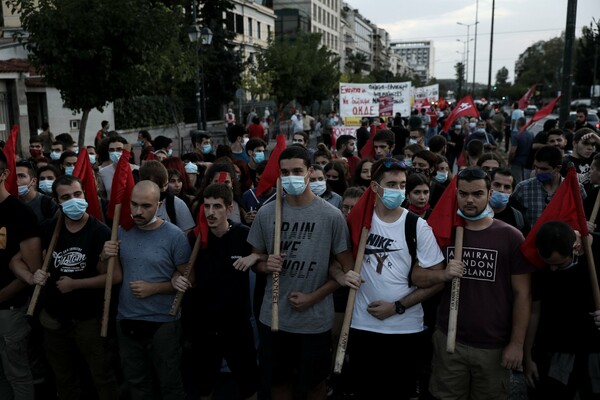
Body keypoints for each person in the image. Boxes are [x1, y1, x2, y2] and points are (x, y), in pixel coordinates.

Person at [335, 158, 455, 400]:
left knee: (399, 393)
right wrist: (341, 275)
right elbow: (334, 262)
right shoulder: (358, 222)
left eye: (402, 185)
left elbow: (437, 280)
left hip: (405, 329)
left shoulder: (417, 226)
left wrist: (397, 307)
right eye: (392, 184)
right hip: (361, 325)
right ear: (376, 188)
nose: (398, 191)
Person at [247, 146, 354, 399]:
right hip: (274, 318)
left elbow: (345, 269)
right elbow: (256, 260)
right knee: (278, 384)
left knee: (316, 385)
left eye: (297, 170)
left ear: (310, 172)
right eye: (285, 172)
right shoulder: (266, 213)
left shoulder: (332, 216)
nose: (290, 177)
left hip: (315, 321)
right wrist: (265, 264)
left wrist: (314, 297)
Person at [424, 166, 533, 400]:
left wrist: (516, 344)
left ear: (489, 194)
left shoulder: (510, 236)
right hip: (449, 340)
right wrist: (441, 275)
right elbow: (418, 277)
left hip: (493, 347)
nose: (469, 200)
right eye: (463, 194)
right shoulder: (444, 233)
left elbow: (522, 294)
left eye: (477, 194)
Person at [18, 175, 121, 400]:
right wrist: (31, 275)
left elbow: (113, 277)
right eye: (65, 197)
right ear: (57, 201)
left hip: (89, 319)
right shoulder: (48, 229)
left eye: (77, 194)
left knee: (101, 374)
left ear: (84, 194)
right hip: (54, 319)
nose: (73, 200)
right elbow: (16, 260)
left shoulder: (99, 232)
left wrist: (75, 284)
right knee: (63, 377)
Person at [115, 180, 192, 400]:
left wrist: (155, 288)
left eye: (146, 206)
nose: (138, 211)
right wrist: (104, 256)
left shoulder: (174, 236)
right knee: (136, 383)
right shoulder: (121, 231)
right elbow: (112, 274)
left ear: (158, 206)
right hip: (127, 318)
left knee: (169, 383)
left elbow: (188, 279)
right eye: (134, 204)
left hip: (163, 322)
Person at [187, 183, 260, 400]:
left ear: (229, 209)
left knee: (248, 385)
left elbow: (266, 256)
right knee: (204, 386)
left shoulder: (243, 234)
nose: (210, 212)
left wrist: (255, 257)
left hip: (237, 324)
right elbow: (182, 271)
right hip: (204, 325)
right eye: (207, 206)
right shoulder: (194, 238)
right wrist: (177, 279)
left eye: (217, 206)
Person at [524, 221, 600, 399]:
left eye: (559, 264)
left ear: (576, 247)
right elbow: (534, 311)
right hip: (553, 352)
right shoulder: (539, 262)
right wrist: (527, 357)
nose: (552, 268)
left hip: (594, 352)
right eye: (548, 263)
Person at [0, 149, 42, 400]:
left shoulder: (20, 214)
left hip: (11, 311)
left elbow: (32, 269)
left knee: (17, 373)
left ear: (4, 173)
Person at [511, 145, 587, 228]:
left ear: (558, 168)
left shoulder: (575, 189)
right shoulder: (523, 188)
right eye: (536, 167)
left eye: (544, 169)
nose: (538, 172)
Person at [139, 160, 195, 233]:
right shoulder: (133, 203)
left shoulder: (176, 203)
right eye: (155, 184)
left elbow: (187, 234)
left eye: (163, 185)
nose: (161, 189)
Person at [15, 160, 58, 224]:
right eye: (13, 176)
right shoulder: (8, 202)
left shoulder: (49, 203)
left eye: (21, 176)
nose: (16, 180)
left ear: (33, 181)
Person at [489, 167, 528, 235]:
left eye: (507, 187)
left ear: (512, 191)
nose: (501, 190)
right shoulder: (477, 213)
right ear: (488, 186)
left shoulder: (518, 218)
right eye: (497, 185)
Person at [509, 116, 534, 184]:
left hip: (517, 161)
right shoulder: (530, 135)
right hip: (527, 161)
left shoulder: (516, 135)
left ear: (518, 123)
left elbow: (512, 151)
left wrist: (509, 161)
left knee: (516, 180)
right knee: (525, 180)